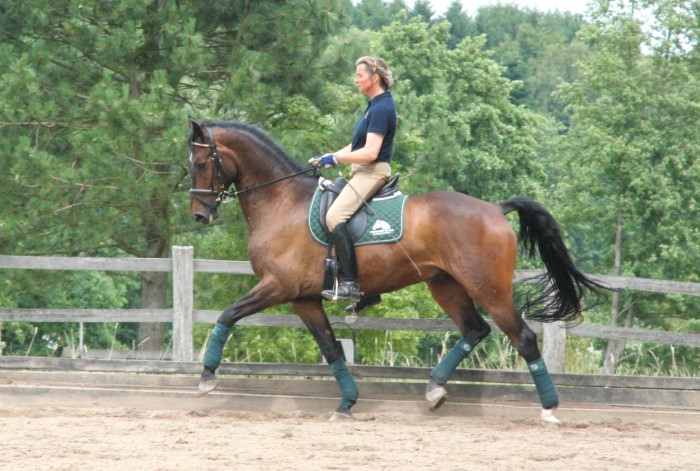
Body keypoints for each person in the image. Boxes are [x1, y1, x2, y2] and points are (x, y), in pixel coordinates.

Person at [309, 56, 396, 304]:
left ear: (374, 77)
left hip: (372, 171)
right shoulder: (373, 106)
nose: (355, 79)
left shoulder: (381, 108)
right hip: (361, 171)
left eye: (359, 75)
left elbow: (370, 152)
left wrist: (336, 161)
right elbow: (356, 145)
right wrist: (329, 156)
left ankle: (350, 284)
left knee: (335, 217)